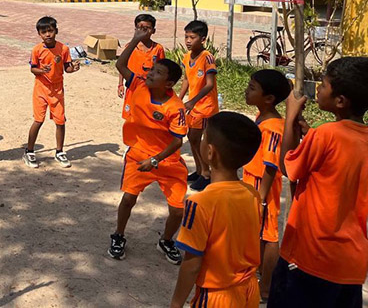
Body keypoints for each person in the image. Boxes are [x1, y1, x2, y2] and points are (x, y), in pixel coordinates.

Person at [268, 57, 368, 308]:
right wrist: (309, 134)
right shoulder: (344, 137)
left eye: (323, 85)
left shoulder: (326, 135)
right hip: (351, 263)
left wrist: (290, 115)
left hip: (310, 257)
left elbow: (288, 168)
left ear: (340, 101)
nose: (318, 89)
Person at [110, 28, 188, 264]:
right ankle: (118, 235)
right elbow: (120, 66)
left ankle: (166, 240)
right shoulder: (140, 85)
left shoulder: (175, 108)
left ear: (170, 83)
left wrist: (155, 160)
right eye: (152, 69)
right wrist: (135, 39)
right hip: (137, 156)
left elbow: (177, 140)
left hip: (166, 162)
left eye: (158, 72)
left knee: (177, 209)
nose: (151, 73)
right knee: (129, 198)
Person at [170, 112, 263, 308]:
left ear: (210, 152)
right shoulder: (252, 194)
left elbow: (192, 264)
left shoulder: (200, 203)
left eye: (204, 137)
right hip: (249, 290)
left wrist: (176, 303)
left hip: (216, 297)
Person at [243, 69, 291, 300]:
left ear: (269, 98)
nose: (246, 90)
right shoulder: (262, 116)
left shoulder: (272, 126)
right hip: (253, 181)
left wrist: (261, 197)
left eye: (252, 88)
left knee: (269, 236)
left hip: (264, 186)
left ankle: (266, 287)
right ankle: (260, 273)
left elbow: (271, 165)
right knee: (259, 233)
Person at [23, 16, 80, 169]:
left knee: (60, 121)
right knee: (38, 120)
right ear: (39, 34)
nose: (47, 34)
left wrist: (73, 69)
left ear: (56, 31)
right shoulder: (37, 50)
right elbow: (33, 69)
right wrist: (41, 70)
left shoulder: (64, 49)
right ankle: (29, 151)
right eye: (44, 32)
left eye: (50, 31)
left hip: (57, 90)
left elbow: (67, 67)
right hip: (41, 88)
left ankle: (59, 151)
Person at [179, 20, 219, 191]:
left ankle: (206, 174)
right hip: (192, 106)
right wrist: (179, 99)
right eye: (186, 37)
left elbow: (209, 84)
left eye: (192, 37)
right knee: (192, 138)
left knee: (199, 139)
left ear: (202, 39)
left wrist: (193, 101)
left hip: (205, 106)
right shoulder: (187, 57)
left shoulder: (207, 57)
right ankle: (198, 169)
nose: (188, 41)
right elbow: (187, 79)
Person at [117, 14, 165, 118]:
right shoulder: (130, 47)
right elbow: (122, 67)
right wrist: (120, 84)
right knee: (131, 118)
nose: (143, 31)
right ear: (135, 29)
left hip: (150, 90)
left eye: (146, 28)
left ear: (153, 31)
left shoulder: (158, 49)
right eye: (140, 28)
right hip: (133, 88)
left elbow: (163, 70)